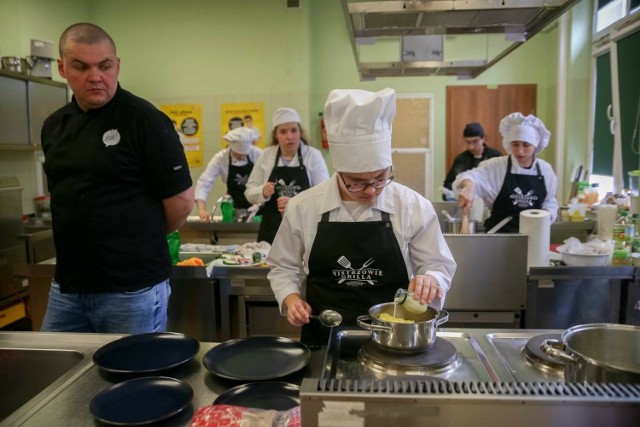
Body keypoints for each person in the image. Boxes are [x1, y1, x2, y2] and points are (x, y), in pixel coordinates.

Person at [266, 88, 456, 348]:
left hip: (396, 339)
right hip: (325, 338)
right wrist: (291, 300)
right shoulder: (304, 207)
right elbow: (283, 266)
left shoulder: (412, 206)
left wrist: (431, 279)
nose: (370, 191)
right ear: (339, 172)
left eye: (380, 178)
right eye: (357, 182)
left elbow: (438, 264)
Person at [39, 23, 194, 333]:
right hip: (68, 288)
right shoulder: (55, 126)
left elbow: (181, 203)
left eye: (104, 66)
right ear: (62, 68)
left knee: (135, 379)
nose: (95, 76)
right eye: (81, 67)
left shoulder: (144, 120)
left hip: (131, 290)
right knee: (60, 376)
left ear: (117, 65)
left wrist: (136, 237)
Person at [454, 112, 558, 233]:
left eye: (526, 145)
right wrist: (468, 184)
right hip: (498, 237)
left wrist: (547, 215)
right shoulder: (496, 166)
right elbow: (468, 177)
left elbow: (550, 201)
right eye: (515, 144)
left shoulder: (546, 170)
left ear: (535, 145)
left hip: (534, 238)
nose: (520, 151)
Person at [244, 107, 330, 244]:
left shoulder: (313, 156)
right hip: (272, 231)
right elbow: (249, 192)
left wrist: (295, 202)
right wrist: (263, 192)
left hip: (304, 229)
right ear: (276, 135)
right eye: (283, 131)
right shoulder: (266, 156)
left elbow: (325, 195)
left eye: (294, 130)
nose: (289, 136)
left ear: (300, 132)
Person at [195, 127, 262, 221]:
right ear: (232, 149)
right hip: (233, 205)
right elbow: (204, 183)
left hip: (257, 204)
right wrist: (202, 210)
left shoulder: (257, 154)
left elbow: (269, 178)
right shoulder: (221, 158)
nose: (242, 158)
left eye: (245, 155)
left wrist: (260, 202)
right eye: (238, 155)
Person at [442, 122, 502, 200]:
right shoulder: (461, 159)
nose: (471, 146)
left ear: (483, 138)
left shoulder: (495, 157)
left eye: (475, 141)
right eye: (468, 142)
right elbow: (448, 183)